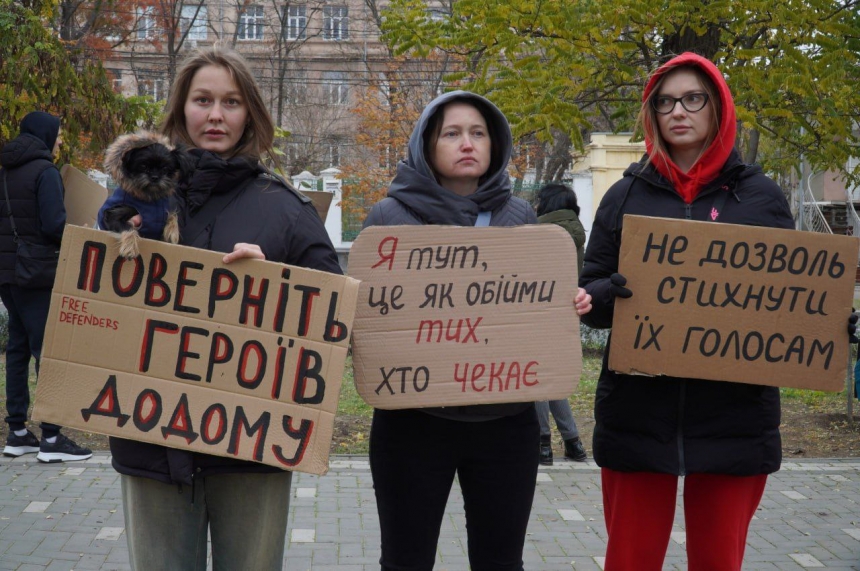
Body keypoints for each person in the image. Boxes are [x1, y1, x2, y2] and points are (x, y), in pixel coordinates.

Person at [108, 46, 342, 571]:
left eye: (231, 102)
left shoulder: (284, 206)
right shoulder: (131, 198)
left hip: (253, 446)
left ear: (250, 114)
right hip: (149, 438)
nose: (216, 115)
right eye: (203, 99)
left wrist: (276, 283)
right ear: (180, 108)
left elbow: (334, 312)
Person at [579, 52, 796, 570]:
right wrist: (607, 293)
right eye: (665, 101)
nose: (678, 110)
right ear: (651, 113)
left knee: (720, 562)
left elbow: (791, 297)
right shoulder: (624, 196)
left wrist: (832, 325)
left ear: (717, 106)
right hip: (638, 414)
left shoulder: (762, 198)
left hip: (734, 417)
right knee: (630, 560)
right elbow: (592, 299)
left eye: (693, 98)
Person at [363, 90, 592, 571]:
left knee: (500, 562)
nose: (467, 143)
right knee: (405, 561)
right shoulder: (389, 219)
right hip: (412, 425)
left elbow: (535, 312)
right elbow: (369, 319)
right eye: (452, 133)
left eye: (478, 133)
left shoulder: (521, 217)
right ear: (426, 144)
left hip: (505, 426)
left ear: (496, 144)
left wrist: (566, 305)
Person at [0, 111, 93, 462]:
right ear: (44, 135)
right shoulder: (45, 172)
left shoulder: (5, 173)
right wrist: (80, 228)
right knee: (48, 352)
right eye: (57, 135)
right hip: (38, 274)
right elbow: (54, 224)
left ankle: (18, 432)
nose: (59, 141)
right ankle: (52, 438)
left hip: (8, 276)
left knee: (19, 350)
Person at [533, 183, 588, 465]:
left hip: (536, 313)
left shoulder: (537, 231)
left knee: (536, 380)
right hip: (565, 315)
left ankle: (542, 443)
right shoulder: (577, 232)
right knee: (552, 380)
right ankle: (573, 442)